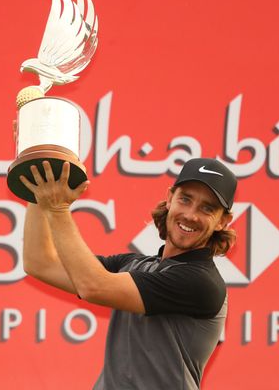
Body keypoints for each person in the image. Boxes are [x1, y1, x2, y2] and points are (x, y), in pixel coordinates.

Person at [20, 157, 237, 389]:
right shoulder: (135, 265)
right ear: (170, 197)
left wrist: (57, 208)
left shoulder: (201, 283)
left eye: (207, 208)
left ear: (223, 221)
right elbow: (39, 262)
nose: (191, 215)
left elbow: (93, 286)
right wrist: (39, 184)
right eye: (185, 199)